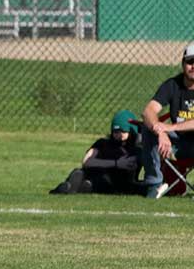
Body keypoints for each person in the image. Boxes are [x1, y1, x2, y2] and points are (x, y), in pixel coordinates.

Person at [141, 41, 194, 199]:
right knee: (147, 128)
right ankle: (154, 185)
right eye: (190, 62)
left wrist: (169, 128)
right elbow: (148, 111)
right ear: (183, 64)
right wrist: (159, 130)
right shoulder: (172, 85)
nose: (193, 66)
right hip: (177, 144)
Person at [49, 110, 143, 196]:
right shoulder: (102, 143)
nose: (118, 134)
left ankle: (81, 187)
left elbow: (132, 171)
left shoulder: (133, 149)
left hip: (110, 179)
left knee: (98, 181)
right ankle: (66, 188)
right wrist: (116, 163)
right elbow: (86, 161)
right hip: (91, 172)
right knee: (78, 173)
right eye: (115, 131)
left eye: (123, 131)